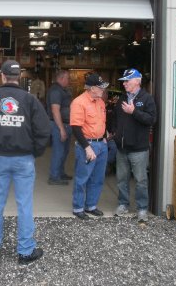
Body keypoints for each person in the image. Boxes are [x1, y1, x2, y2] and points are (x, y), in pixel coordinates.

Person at [0, 60, 50, 264]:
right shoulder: (30, 100)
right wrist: (35, 152)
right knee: (24, 204)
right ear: (19, 77)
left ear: (1, 76)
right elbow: (44, 130)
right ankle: (25, 252)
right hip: (24, 159)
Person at [112, 68, 157, 223]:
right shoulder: (122, 98)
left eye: (127, 81)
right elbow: (116, 118)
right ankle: (123, 204)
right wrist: (114, 133)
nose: (124, 84)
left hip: (138, 149)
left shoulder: (147, 98)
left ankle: (142, 208)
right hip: (122, 148)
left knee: (140, 180)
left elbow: (151, 120)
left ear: (137, 81)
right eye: (123, 81)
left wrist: (134, 112)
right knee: (121, 179)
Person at [70, 73, 109, 220]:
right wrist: (87, 147)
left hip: (101, 144)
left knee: (97, 178)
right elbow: (75, 128)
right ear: (92, 88)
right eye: (101, 88)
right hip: (87, 145)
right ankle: (78, 207)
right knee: (82, 178)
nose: (103, 91)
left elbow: (102, 122)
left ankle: (91, 206)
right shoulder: (79, 102)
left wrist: (104, 138)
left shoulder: (100, 102)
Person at [46, 70, 73, 185]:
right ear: (62, 78)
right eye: (68, 78)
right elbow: (55, 110)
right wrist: (61, 129)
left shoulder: (62, 90)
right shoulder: (56, 91)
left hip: (65, 124)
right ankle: (54, 176)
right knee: (59, 151)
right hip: (58, 125)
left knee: (64, 151)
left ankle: (60, 172)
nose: (69, 81)